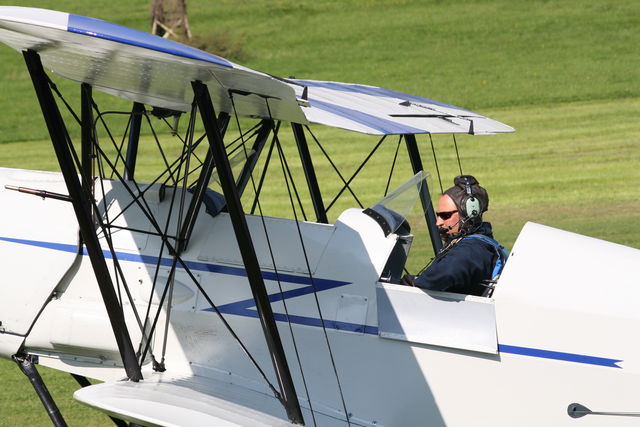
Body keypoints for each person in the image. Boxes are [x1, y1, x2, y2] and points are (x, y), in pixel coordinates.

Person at [401, 175, 507, 296]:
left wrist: (413, 282)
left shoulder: (472, 248)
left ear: (470, 213)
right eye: (438, 215)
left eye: (445, 215)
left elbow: (444, 274)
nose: (438, 222)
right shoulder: (477, 243)